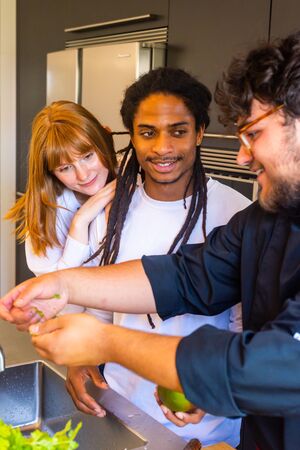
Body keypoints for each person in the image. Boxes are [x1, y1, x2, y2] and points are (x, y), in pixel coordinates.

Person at [2, 31, 300, 450]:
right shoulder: (265, 221)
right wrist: (63, 284)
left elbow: (273, 361)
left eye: (254, 133)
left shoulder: (232, 207)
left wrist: (107, 342)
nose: (242, 156)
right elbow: (186, 276)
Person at [63, 67, 249, 447]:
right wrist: (79, 359)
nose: (162, 148)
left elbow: (242, 332)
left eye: (178, 131)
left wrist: (214, 390)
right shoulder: (110, 212)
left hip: (205, 427)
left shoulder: (235, 215)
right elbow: (100, 307)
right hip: (119, 411)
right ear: (131, 135)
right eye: (147, 132)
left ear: (199, 133)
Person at [5, 100, 117, 321]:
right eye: (65, 168)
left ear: (105, 138)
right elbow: (65, 307)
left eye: (88, 156)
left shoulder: (140, 184)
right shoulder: (46, 214)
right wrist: (81, 221)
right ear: (50, 172)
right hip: (83, 337)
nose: (83, 175)